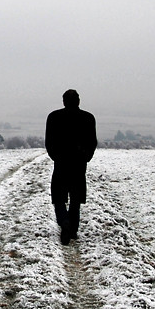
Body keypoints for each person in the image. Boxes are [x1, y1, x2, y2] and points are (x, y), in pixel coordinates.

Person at [45, 89, 97, 245]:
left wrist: (56, 156)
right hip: (79, 163)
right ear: (78, 101)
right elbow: (92, 142)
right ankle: (73, 228)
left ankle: (64, 222)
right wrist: (86, 157)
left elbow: (49, 142)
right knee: (76, 197)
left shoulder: (54, 117)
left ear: (63, 101)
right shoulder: (88, 118)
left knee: (59, 197)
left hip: (61, 162)